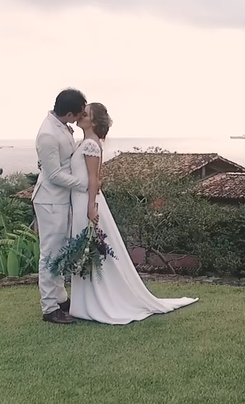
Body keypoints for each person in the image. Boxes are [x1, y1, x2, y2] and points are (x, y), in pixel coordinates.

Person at [67, 102, 198, 325]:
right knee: (88, 248)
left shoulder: (90, 144)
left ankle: (96, 301)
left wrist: (90, 206)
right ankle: (87, 300)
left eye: (85, 113)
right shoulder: (87, 142)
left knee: (90, 247)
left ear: (95, 121)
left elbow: (93, 179)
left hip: (86, 202)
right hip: (81, 200)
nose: (80, 115)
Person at [32, 88, 89, 324]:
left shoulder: (61, 126)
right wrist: (83, 184)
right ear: (68, 113)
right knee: (50, 253)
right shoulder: (47, 134)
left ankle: (61, 299)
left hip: (61, 199)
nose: (80, 118)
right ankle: (49, 308)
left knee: (60, 250)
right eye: (78, 113)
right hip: (50, 200)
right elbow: (54, 174)